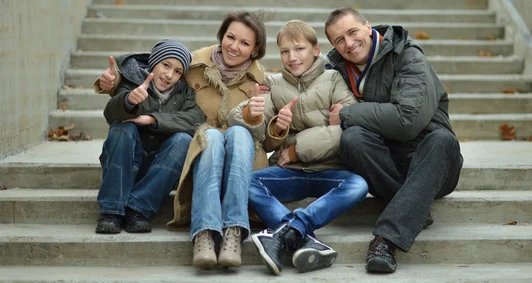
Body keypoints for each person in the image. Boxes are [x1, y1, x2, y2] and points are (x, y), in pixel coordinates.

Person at [95, 11, 269, 269]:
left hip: (233, 155)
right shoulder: (194, 65)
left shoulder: (260, 81)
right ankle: (200, 233)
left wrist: (258, 120)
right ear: (221, 36)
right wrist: (113, 84)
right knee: (188, 135)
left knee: (213, 135)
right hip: (191, 149)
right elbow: (142, 72)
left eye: (245, 43)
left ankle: (230, 229)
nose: (234, 46)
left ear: (255, 50)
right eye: (230, 37)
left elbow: (265, 136)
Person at [324, 8, 464, 273]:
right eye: (339, 40)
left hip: (430, 162)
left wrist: (347, 113)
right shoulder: (336, 71)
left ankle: (385, 241)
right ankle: (413, 207)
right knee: (352, 139)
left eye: (352, 32)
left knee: (443, 141)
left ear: (367, 27)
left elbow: (406, 120)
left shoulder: (407, 56)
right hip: (384, 165)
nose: (349, 43)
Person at [228, 20, 369, 275]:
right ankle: (301, 237)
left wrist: (296, 149)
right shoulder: (274, 84)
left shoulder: (334, 79)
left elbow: (348, 128)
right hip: (290, 172)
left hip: (331, 170)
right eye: (284, 51)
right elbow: (264, 139)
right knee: (247, 182)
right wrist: (268, 123)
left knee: (359, 185)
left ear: (316, 50)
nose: (292, 58)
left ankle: (284, 231)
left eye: (299, 49)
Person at [95, 39, 205, 235]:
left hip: (158, 168)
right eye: (166, 65)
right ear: (154, 62)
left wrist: (151, 119)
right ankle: (111, 210)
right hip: (126, 159)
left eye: (178, 71)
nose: (169, 75)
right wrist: (128, 101)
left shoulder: (184, 93)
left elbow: (196, 119)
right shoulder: (133, 82)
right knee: (121, 129)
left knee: (183, 140)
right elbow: (110, 114)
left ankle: (138, 209)